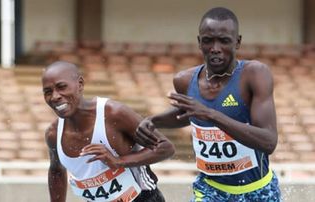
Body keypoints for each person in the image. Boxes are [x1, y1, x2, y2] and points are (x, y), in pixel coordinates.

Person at [136, 7, 281, 201]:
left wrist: (211, 114)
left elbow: (269, 141)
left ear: (237, 42)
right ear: (199, 42)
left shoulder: (254, 75)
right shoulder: (184, 80)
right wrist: (153, 120)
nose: (215, 48)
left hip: (257, 191)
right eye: (208, 40)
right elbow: (185, 113)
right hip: (210, 191)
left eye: (224, 40)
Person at [42, 61, 175, 202]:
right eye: (48, 92)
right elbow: (56, 171)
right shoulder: (53, 133)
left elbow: (165, 147)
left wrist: (119, 161)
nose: (55, 96)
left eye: (61, 87)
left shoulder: (113, 114)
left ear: (80, 84)